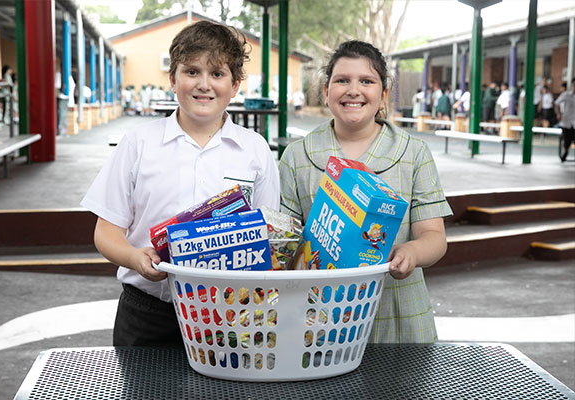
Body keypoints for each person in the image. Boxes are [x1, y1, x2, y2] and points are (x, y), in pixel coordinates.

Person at [81, 20, 280, 347]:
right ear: (172, 79)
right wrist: (135, 258)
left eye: (217, 74)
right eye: (192, 72)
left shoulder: (255, 149)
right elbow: (106, 232)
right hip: (146, 313)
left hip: (228, 314)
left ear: (236, 85)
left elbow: (267, 235)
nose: (204, 84)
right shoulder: (138, 143)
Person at [278, 40, 452, 343]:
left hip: (397, 314)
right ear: (326, 90)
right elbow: (285, 242)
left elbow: (435, 238)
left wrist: (410, 252)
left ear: (383, 94)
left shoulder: (413, 153)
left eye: (367, 81)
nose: (353, 90)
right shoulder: (297, 155)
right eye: (342, 80)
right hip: (318, 318)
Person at [555, 78, 575, 162]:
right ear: (572, 86)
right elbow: (557, 103)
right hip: (566, 121)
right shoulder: (566, 95)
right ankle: (565, 152)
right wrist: (559, 114)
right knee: (567, 140)